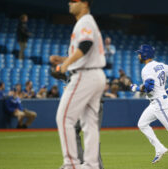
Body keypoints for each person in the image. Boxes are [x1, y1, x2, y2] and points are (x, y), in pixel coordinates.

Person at [50, 0, 106, 168]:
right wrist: (63, 60)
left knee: (64, 117)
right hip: (94, 74)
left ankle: (71, 164)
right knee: (89, 124)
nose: (69, 3)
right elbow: (85, 51)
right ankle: (91, 165)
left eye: (74, 1)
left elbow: (86, 45)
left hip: (85, 75)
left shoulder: (85, 21)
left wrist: (64, 65)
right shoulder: (87, 21)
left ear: (85, 4)